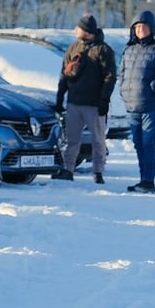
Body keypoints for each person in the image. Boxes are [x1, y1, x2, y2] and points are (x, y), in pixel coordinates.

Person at [52, 14, 117, 185]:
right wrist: (60, 98)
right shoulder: (73, 47)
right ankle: (68, 169)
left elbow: (110, 77)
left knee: (98, 140)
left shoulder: (103, 50)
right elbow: (64, 74)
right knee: (72, 139)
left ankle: (98, 172)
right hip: (74, 101)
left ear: (87, 31)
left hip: (94, 104)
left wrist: (104, 101)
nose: (76, 30)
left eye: (79, 28)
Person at [118, 9, 155, 193]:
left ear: (151, 28)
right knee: (137, 143)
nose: (139, 30)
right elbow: (123, 73)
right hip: (132, 104)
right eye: (136, 27)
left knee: (148, 142)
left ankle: (148, 180)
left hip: (151, 104)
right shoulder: (129, 50)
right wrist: (123, 89)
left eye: (143, 27)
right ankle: (142, 178)